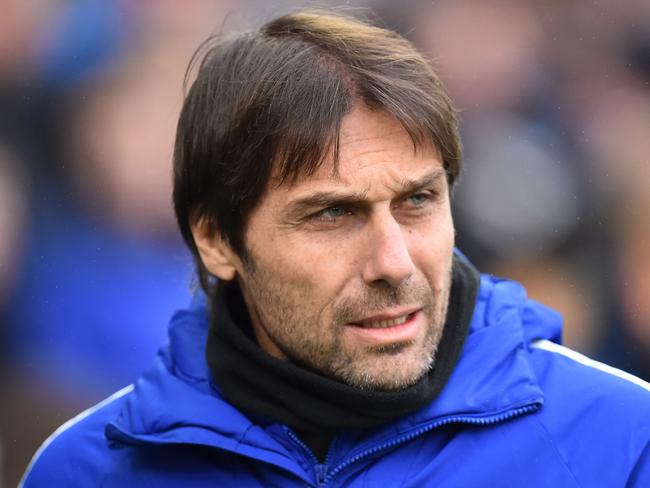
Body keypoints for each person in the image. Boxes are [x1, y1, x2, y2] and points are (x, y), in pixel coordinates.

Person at [20, 10, 650, 487]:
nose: (394, 262)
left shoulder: (619, 438)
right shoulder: (86, 469)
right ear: (215, 239)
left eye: (418, 201)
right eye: (332, 214)